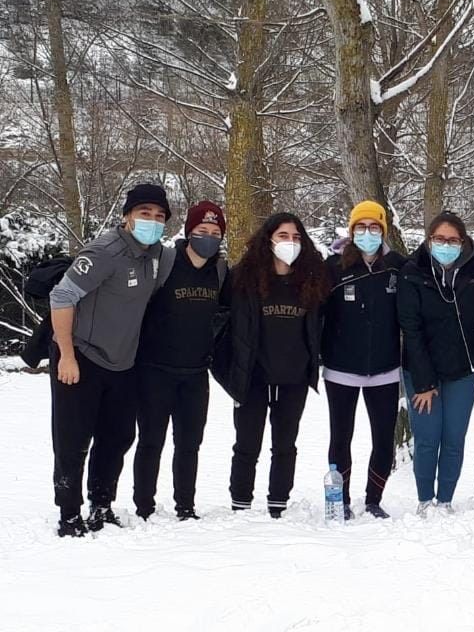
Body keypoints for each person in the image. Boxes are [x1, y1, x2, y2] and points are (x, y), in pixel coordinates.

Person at [49, 183, 171, 536]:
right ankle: (69, 514)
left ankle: (101, 505)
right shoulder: (104, 251)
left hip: (123, 361)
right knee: (73, 440)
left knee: (117, 438)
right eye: (144, 213)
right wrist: (66, 355)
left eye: (159, 216)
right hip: (82, 355)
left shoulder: (158, 256)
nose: (152, 221)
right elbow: (61, 297)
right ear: (127, 216)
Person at [212, 213, 328, 517]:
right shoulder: (243, 279)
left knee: (285, 445)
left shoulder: (311, 280)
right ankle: (241, 503)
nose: (290, 242)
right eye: (283, 236)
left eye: (296, 237)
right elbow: (221, 322)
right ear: (268, 240)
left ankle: (278, 503)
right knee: (246, 444)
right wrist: (227, 367)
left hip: (294, 377)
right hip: (252, 377)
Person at [133, 200, 228, 521]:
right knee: (151, 442)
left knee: (189, 444)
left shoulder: (220, 271)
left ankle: (185, 506)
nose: (208, 237)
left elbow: (228, 313)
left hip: (196, 373)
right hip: (155, 371)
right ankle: (144, 506)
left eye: (215, 232)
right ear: (189, 232)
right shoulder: (164, 262)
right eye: (202, 230)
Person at [398, 211, 474, 514]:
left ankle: (445, 499)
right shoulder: (412, 272)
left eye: (452, 240)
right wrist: (424, 382)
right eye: (440, 239)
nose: (446, 245)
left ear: (463, 242)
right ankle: (425, 500)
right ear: (429, 240)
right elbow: (411, 330)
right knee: (427, 438)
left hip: (463, 370)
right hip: (421, 371)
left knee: (453, 439)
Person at [321, 201, 405, 520]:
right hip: (340, 368)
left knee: (383, 440)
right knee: (341, 437)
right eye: (360, 227)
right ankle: (339, 501)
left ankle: (373, 499)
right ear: (351, 230)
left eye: (373, 227)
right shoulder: (334, 267)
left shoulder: (396, 266)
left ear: (383, 231)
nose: (367, 233)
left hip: (385, 369)